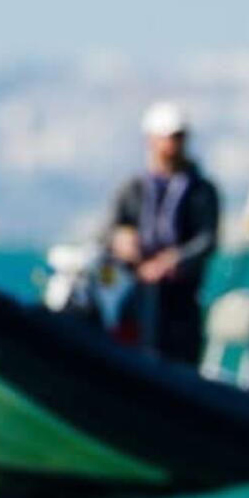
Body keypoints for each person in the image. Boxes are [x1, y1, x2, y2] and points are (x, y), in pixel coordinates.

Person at [103, 101, 221, 364]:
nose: (173, 143)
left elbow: (207, 239)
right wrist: (120, 239)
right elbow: (108, 232)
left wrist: (174, 260)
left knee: (179, 359)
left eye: (179, 137)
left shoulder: (201, 191)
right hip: (135, 292)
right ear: (152, 140)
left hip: (181, 297)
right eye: (168, 137)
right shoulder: (133, 189)